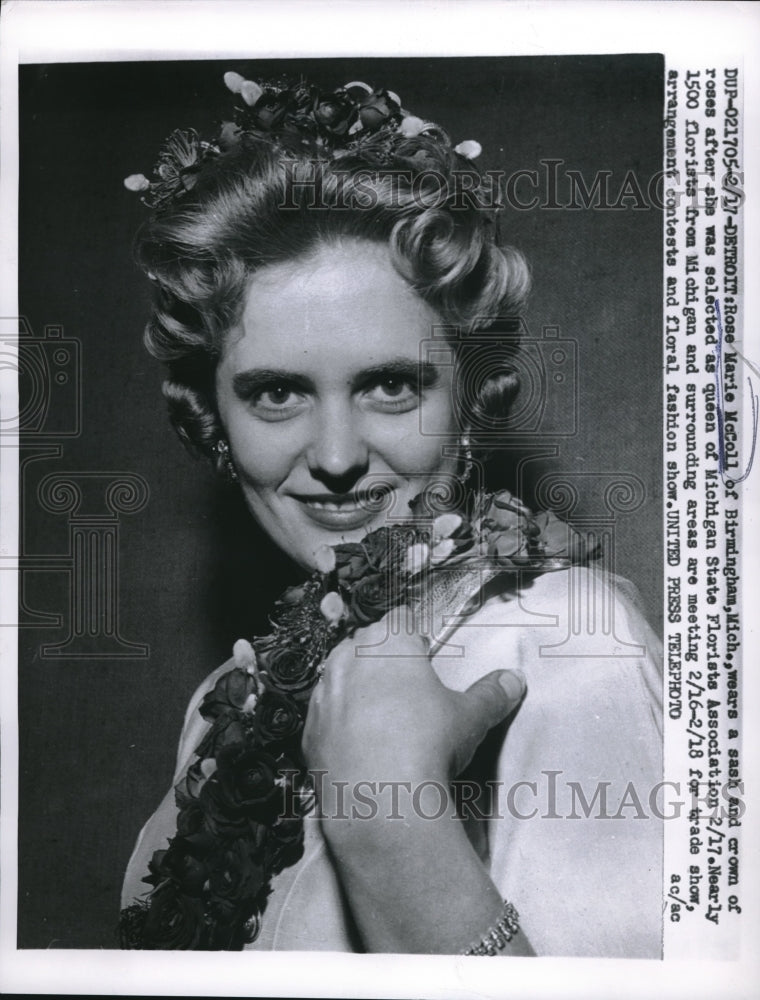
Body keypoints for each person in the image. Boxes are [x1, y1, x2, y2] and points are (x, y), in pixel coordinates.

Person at [120, 71, 662, 956]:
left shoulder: (570, 643)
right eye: (277, 393)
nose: (335, 456)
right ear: (212, 419)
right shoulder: (226, 703)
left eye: (389, 384)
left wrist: (392, 828)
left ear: (474, 396)